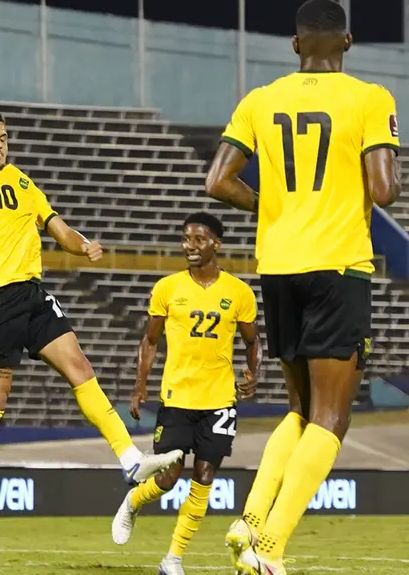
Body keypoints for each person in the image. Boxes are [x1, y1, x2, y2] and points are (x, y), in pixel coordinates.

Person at [0, 110, 183, 539]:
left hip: (31, 294)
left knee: (80, 368)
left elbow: (57, 228)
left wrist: (84, 246)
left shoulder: (24, 183)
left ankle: (130, 460)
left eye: (3, 137)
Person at [204, 0, 402, 575]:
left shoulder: (260, 100)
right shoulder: (370, 98)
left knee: (298, 408)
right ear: (348, 41)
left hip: (279, 265)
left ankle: (250, 522)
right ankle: (271, 547)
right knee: (332, 418)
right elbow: (385, 191)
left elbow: (218, 181)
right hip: (338, 264)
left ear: (295, 46)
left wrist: (273, 206)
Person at [110, 212, 262, 575]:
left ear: (216, 244)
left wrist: (254, 373)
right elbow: (149, 340)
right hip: (177, 397)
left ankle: (173, 559)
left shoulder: (239, 292)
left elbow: (253, 341)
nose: (189, 246)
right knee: (167, 476)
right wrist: (139, 385)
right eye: (185, 239)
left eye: (198, 239)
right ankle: (134, 500)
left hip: (220, 400)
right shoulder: (167, 287)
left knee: (205, 475)